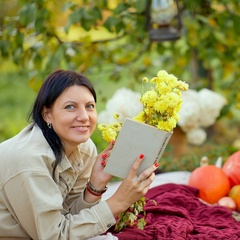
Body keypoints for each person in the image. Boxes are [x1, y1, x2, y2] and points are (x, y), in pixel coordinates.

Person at [0, 70, 158, 239]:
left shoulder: (84, 149)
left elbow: (68, 216)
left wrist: (95, 186)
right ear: (47, 115)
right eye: (70, 107)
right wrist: (119, 201)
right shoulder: (29, 161)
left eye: (89, 106)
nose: (84, 117)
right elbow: (54, 236)